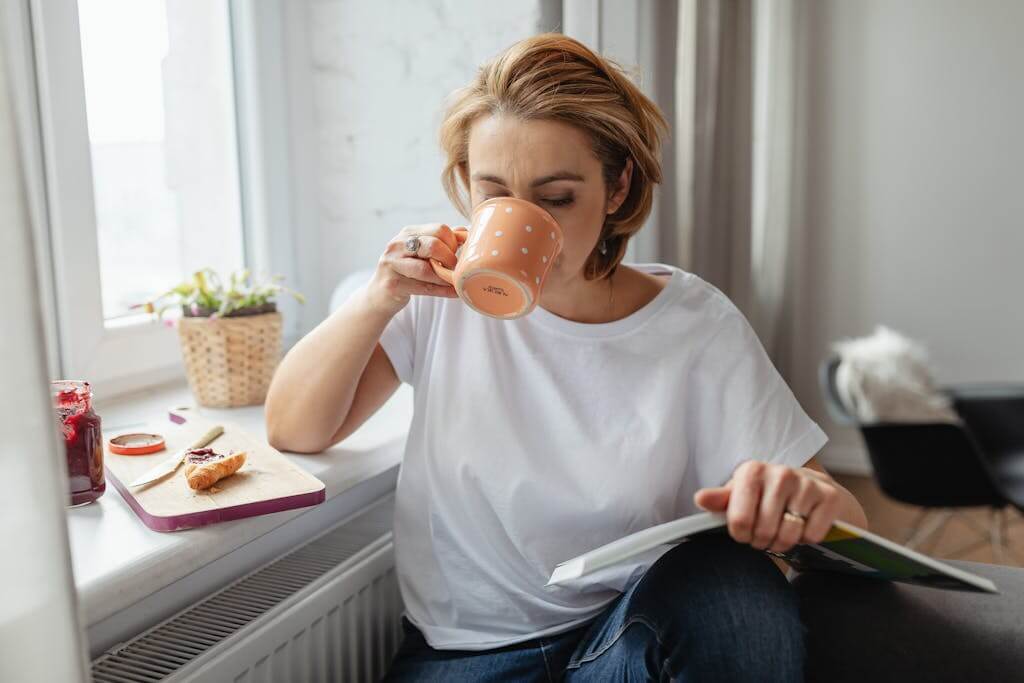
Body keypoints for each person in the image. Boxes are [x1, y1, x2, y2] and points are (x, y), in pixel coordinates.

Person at [265, 33, 868, 682]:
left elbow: (851, 524)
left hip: (625, 644)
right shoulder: (436, 294)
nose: (522, 220)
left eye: (556, 199)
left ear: (617, 187)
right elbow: (296, 426)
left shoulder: (695, 325)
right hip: (464, 659)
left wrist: (806, 499)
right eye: (494, 193)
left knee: (731, 580)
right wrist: (379, 296)